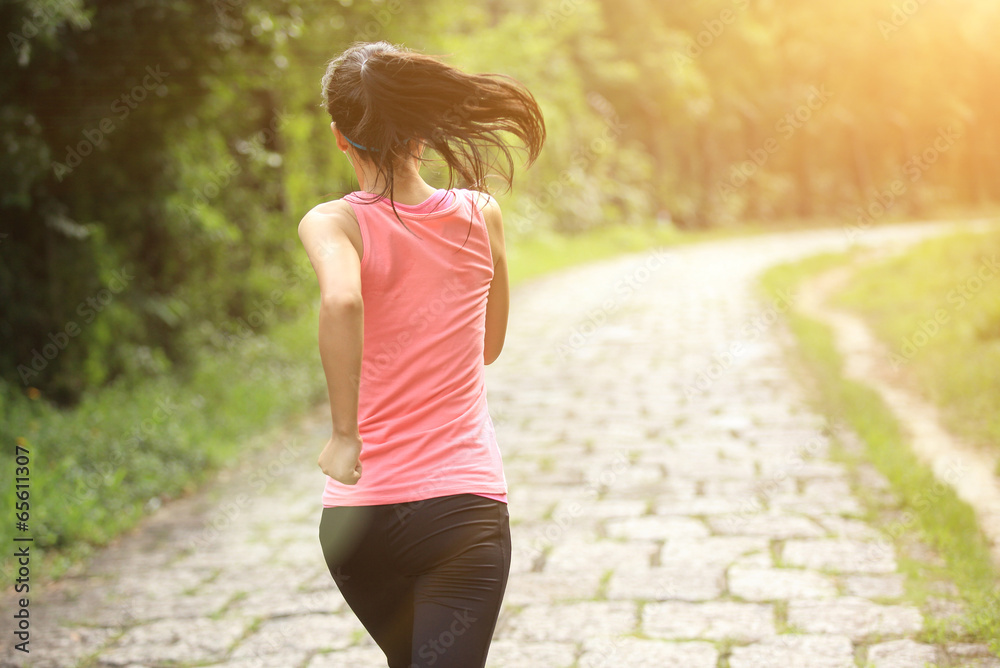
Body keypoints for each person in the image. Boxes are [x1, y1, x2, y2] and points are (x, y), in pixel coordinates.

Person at [297, 41, 545, 668]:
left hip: (358, 527)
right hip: (461, 515)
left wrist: (345, 435)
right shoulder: (478, 214)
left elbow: (343, 301)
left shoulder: (332, 224)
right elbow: (490, 345)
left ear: (340, 138)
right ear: (422, 132)